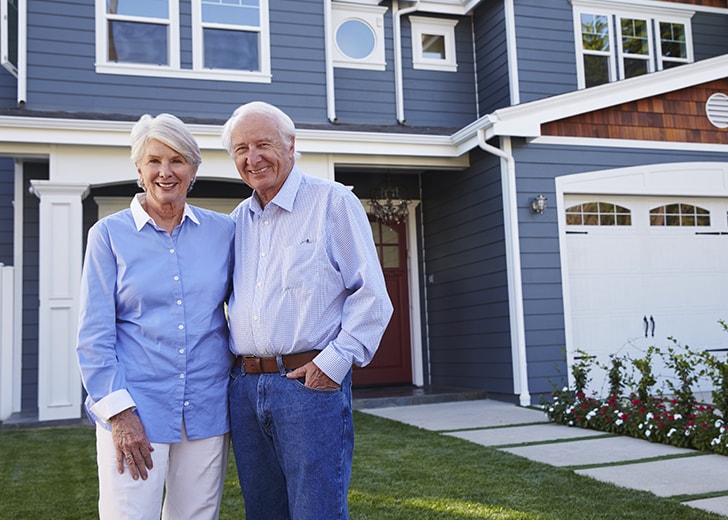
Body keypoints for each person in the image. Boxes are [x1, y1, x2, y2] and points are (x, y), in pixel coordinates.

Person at [222, 101, 394, 520]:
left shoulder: (332, 203)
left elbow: (372, 294)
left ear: (292, 145)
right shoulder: (236, 222)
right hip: (245, 389)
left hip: (306, 387)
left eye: (263, 144)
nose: (253, 157)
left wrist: (332, 364)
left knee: (317, 511)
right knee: (263, 512)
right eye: (241, 149)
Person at [76, 113, 235, 520]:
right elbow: (95, 335)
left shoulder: (224, 232)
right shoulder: (108, 235)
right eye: (154, 161)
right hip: (136, 409)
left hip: (207, 406)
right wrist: (120, 415)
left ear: (194, 169)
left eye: (178, 160)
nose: (166, 172)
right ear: (139, 169)